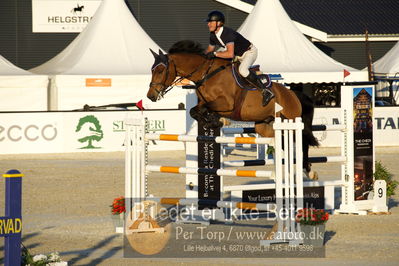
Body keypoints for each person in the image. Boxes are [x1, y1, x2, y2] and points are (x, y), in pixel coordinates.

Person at [205, 10, 274, 106]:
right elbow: (209, 49)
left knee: (243, 70)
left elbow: (229, 54)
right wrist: (202, 57)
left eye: (210, 22)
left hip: (249, 52)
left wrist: (216, 54)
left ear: (219, 23)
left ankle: (265, 91)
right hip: (238, 55)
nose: (208, 24)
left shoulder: (227, 33)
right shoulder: (213, 35)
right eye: (208, 22)